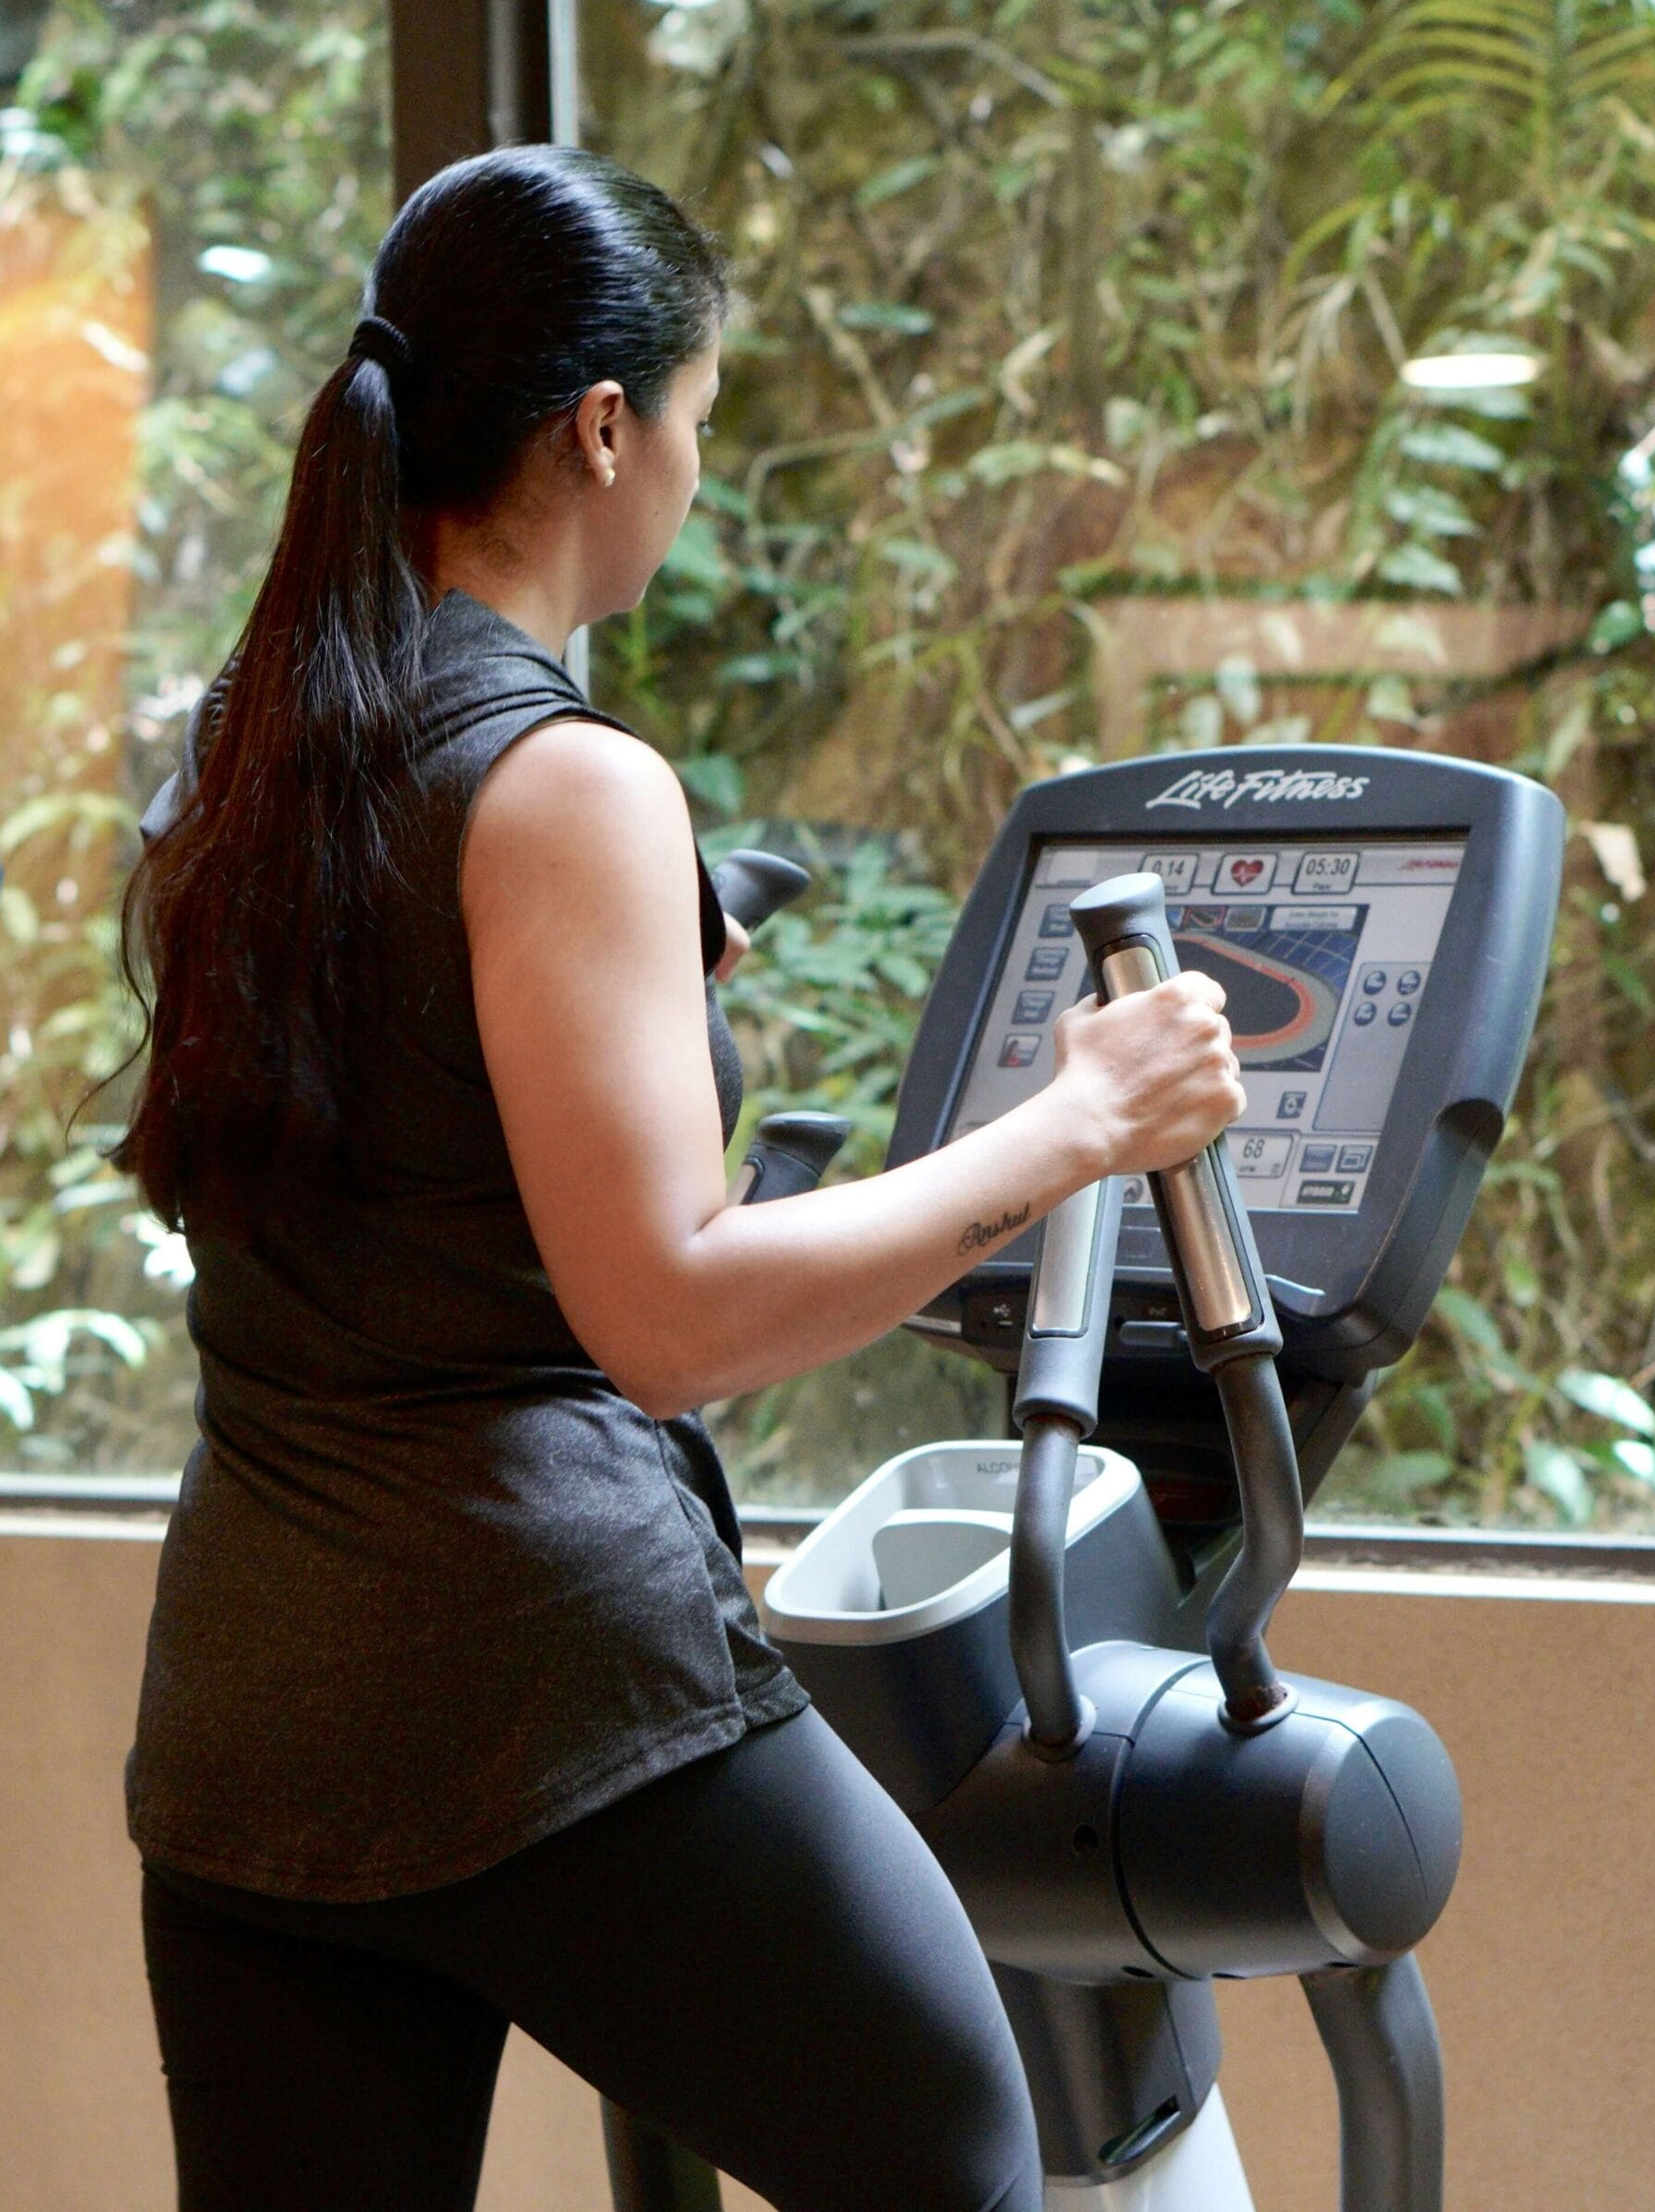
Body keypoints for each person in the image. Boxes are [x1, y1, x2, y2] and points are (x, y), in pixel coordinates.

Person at [117, 145, 1245, 2212]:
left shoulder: (249, 741)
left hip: (251, 1723)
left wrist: (636, 990)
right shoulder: (565, 779)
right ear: (605, 425)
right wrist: (1078, 1121)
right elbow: (671, 1315)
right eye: (702, 425)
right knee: (962, 2151)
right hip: (540, 1686)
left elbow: (391, 1140)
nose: (700, 476)